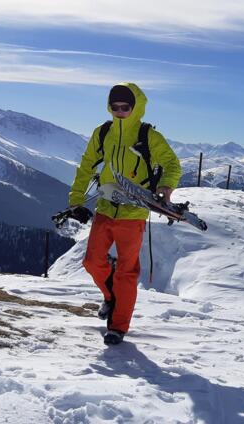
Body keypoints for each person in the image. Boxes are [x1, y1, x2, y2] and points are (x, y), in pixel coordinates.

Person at [66, 83, 181, 345]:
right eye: (115, 107)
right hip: (107, 205)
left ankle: (117, 326)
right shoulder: (103, 132)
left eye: (125, 107)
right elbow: (86, 166)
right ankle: (111, 296)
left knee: (127, 272)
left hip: (134, 211)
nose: (119, 112)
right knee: (92, 262)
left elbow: (172, 164)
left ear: (135, 106)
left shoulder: (147, 135)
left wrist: (165, 186)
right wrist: (76, 199)